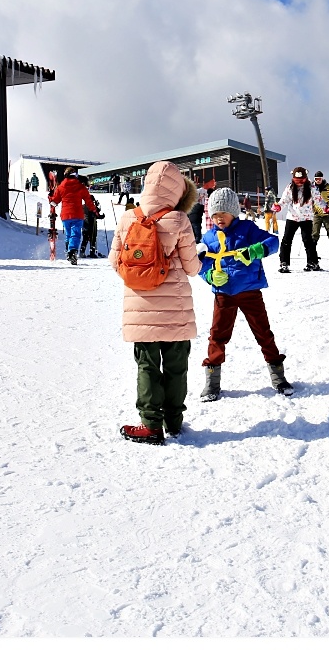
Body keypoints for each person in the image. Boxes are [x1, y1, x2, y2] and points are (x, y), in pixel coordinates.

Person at [110, 161, 202, 445]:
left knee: (147, 366)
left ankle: (150, 424)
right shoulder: (177, 220)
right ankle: (173, 421)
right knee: (176, 366)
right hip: (175, 310)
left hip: (139, 309)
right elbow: (192, 268)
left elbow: (115, 262)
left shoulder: (128, 218)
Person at [196, 187, 291, 402]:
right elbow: (199, 264)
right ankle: (212, 383)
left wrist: (257, 250)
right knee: (217, 335)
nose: (219, 219)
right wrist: (210, 275)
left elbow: (273, 242)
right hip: (223, 294)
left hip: (249, 291)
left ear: (234, 212)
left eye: (223, 213)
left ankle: (278, 376)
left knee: (263, 332)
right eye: (215, 215)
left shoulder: (247, 229)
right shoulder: (209, 237)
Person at [276, 166, 326, 272]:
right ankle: (284, 263)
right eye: (296, 180)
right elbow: (284, 200)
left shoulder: (312, 187)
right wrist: (279, 206)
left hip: (307, 218)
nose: (299, 183)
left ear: (306, 178)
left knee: (308, 240)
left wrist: (326, 208)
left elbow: (318, 200)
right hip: (292, 217)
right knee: (286, 240)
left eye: (301, 180)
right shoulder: (290, 187)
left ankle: (313, 263)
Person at [49, 167, 97, 264]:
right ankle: (72, 251)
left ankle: (68, 252)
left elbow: (54, 202)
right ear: (75, 175)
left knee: (68, 234)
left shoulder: (61, 187)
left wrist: (50, 197)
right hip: (77, 214)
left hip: (65, 215)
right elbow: (88, 200)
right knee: (75, 234)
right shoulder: (80, 186)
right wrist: (94, 210)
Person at [311, 171, 329, 259]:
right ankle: (313, 252)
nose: (318, 181)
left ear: (322, 178)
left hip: (328, 213)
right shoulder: (312, 188)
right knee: (315, 233)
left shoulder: (328, 187)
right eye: (316, 179)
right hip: (317, 213)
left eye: (319, 179)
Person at [78, 180, 106, 258]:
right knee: (93, 239)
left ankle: (82, 252)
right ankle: (92, 252)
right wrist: (101, 215)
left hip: (84, 225)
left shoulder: (83, 206)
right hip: (91, 225)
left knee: (85, 239)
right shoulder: (92, 207)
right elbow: (96, 214)